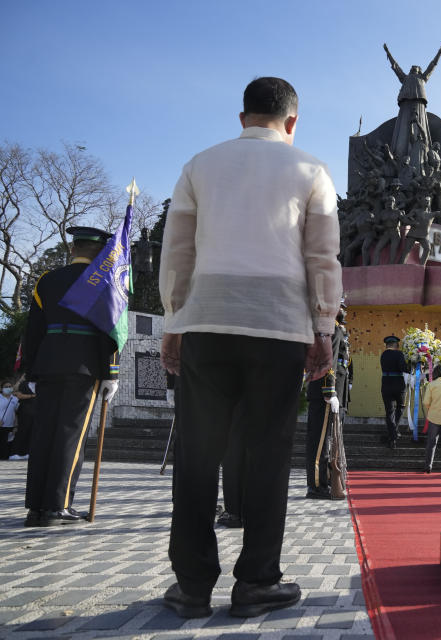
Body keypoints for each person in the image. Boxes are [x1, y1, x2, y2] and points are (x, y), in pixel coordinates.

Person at [158, 77, 341, 619]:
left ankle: (191, 585)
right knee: (267, 456)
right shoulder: (311, 170)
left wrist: (174, 319)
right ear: (292, 122)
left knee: (197, 454)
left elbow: (178, 250)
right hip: (279, 327)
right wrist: (324, 327)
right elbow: (322, 256)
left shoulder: (200, 164)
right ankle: (258, 580)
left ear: (242, 117)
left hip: (209, 323)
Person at [20, 226, 120, 527]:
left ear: (72, 249)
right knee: (70, 435)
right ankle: (58, 506)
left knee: (44, 433)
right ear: (101, 252)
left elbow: (33, 329)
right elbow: (110, 329)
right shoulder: (104, 281)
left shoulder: (47, 280)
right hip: (84, 365)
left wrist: (31, 370)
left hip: (48, 363)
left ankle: (36, 507)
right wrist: (110, 372)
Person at [306, 300, 351, 499]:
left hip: (322, 390)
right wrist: (330, 390)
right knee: (319, 441)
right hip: (324, 391)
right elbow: (329, 360)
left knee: (322, 439)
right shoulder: (331, 328)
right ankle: (317, 485)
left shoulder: (327, 327)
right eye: (341, 307)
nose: (343, 312)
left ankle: (320, 482)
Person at [380, 335, 407, 448]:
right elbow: (403, 368)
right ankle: (394, 432)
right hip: (399, 385)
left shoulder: (383, 355)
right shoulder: (399, 354)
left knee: (389, 411)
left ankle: (392, 435)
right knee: (400, 407)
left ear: (387, 345)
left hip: (386, 384)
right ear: (396, 345)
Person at [10, 376, 36, 459]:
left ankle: (26, 452)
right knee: (22, 431)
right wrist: (32, 396)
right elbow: (19, 395)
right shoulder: (24, 384)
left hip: (35, 412)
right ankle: (14, 452)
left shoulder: (40, 385)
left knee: (31, 433)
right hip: (25, 412)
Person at [0, 380, 19, 460]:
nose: (8, 388)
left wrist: (15, 426)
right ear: (1, 389)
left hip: (10, 426)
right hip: (1, 426)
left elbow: (17, 413)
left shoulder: (15, 399)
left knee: (6, 447)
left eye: (9, 386)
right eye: (6, 387)